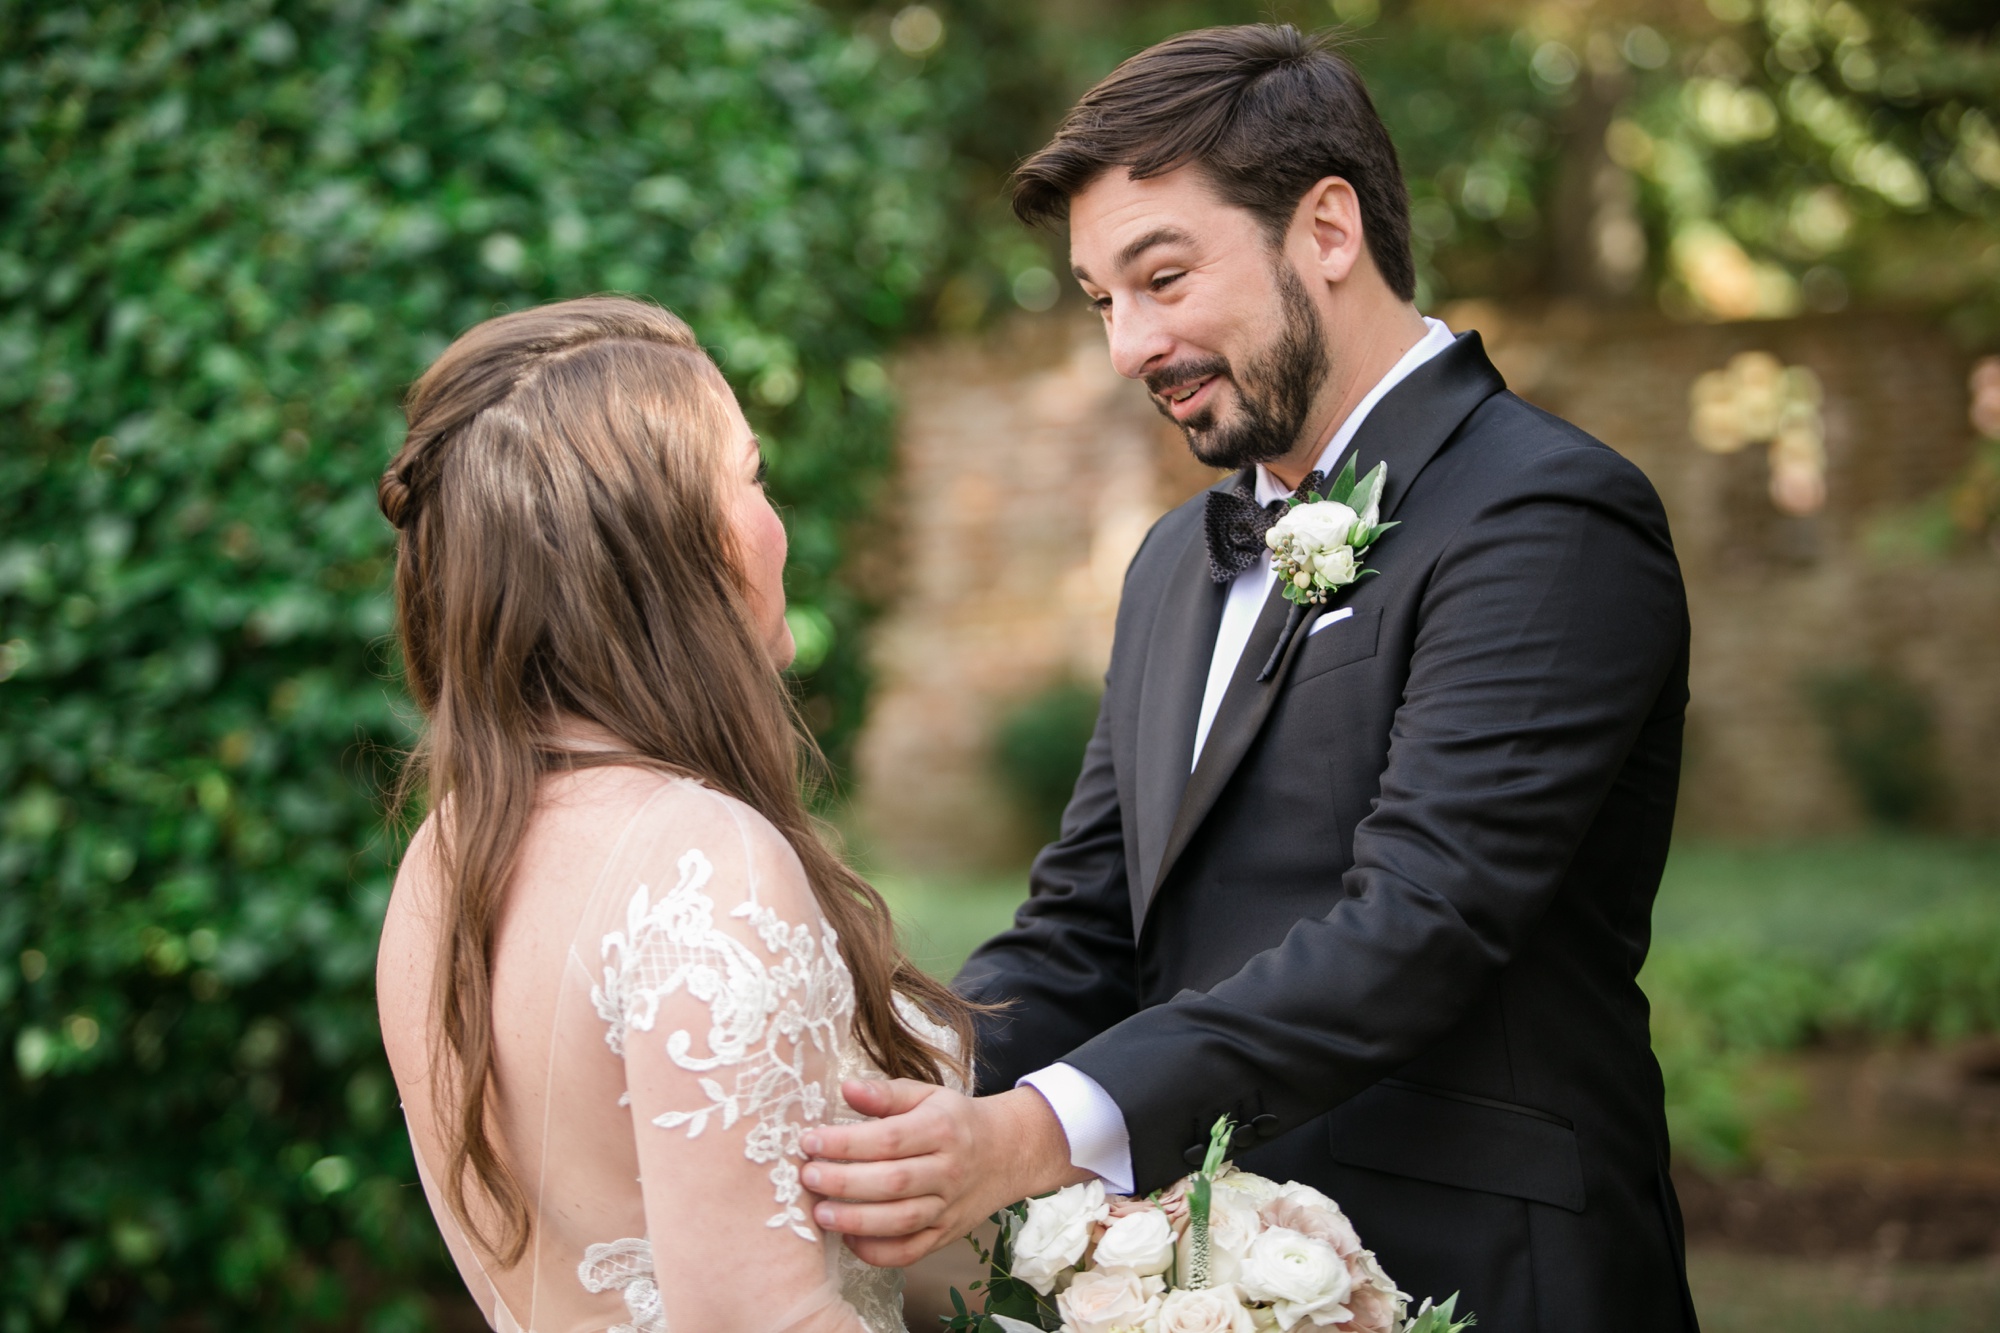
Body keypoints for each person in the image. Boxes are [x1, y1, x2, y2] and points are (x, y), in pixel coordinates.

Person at [801, 26, 1699, 1331]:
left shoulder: (1548, 515)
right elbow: (1088, 922)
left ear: (1326, 229)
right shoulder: (1178, 558)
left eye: (1162, 278)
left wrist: (1037, 1132)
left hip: (1490, 1275)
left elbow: (1420, 923)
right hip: (1203, 1273)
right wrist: (895, 1079)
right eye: (1104, 300)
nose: (1128, 346)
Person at [373, 296, 973, 1333]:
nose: (773, 522)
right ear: (659, 549)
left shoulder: (448, 848)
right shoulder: (703, 863)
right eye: (749, 476)